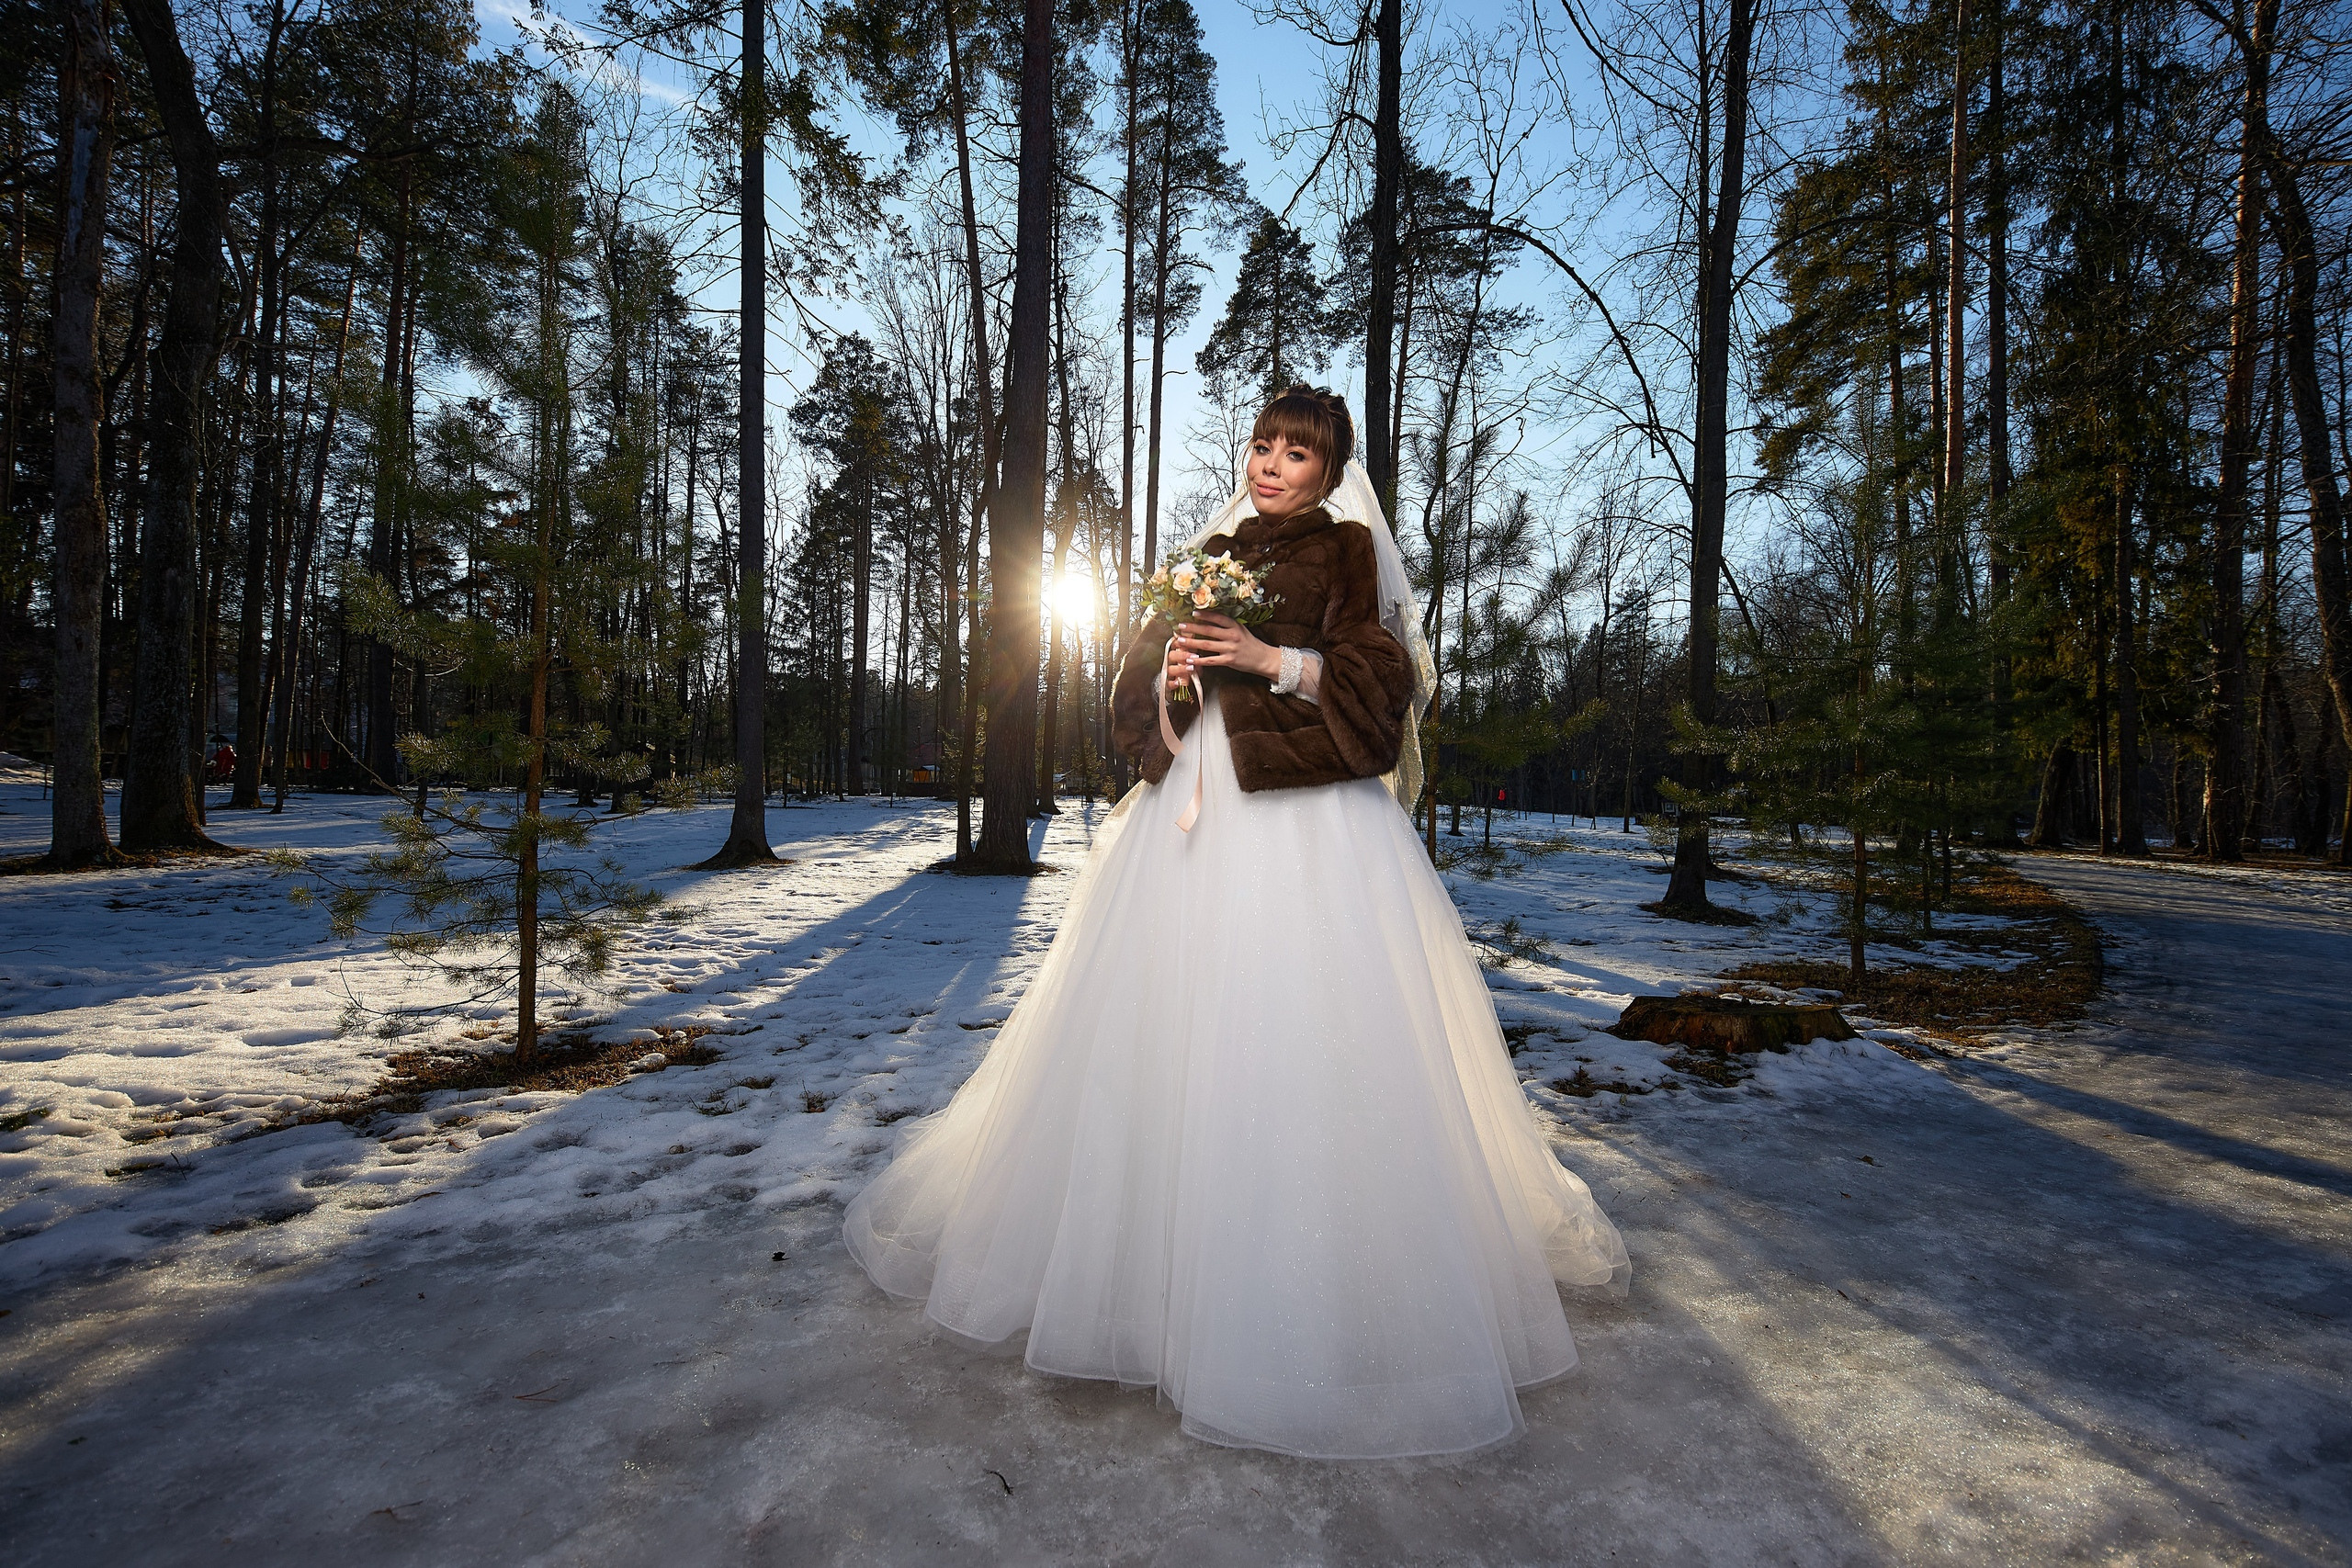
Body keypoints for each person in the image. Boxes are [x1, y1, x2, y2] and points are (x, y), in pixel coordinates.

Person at [843, 387, 1627, 1459]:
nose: (1271, 463)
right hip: (1195, 813)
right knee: (1158, 1033)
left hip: (1310, 825)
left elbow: (1376, 681)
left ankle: (1318, 1302)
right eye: (1263, 444)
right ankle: (1140, 1295)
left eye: (1296, 452)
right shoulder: (1208, 545)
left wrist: (1268, 661)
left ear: (1329, 468)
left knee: (1301, 1037)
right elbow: (1137, 691)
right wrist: (1168, 672)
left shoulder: (1348, 551)